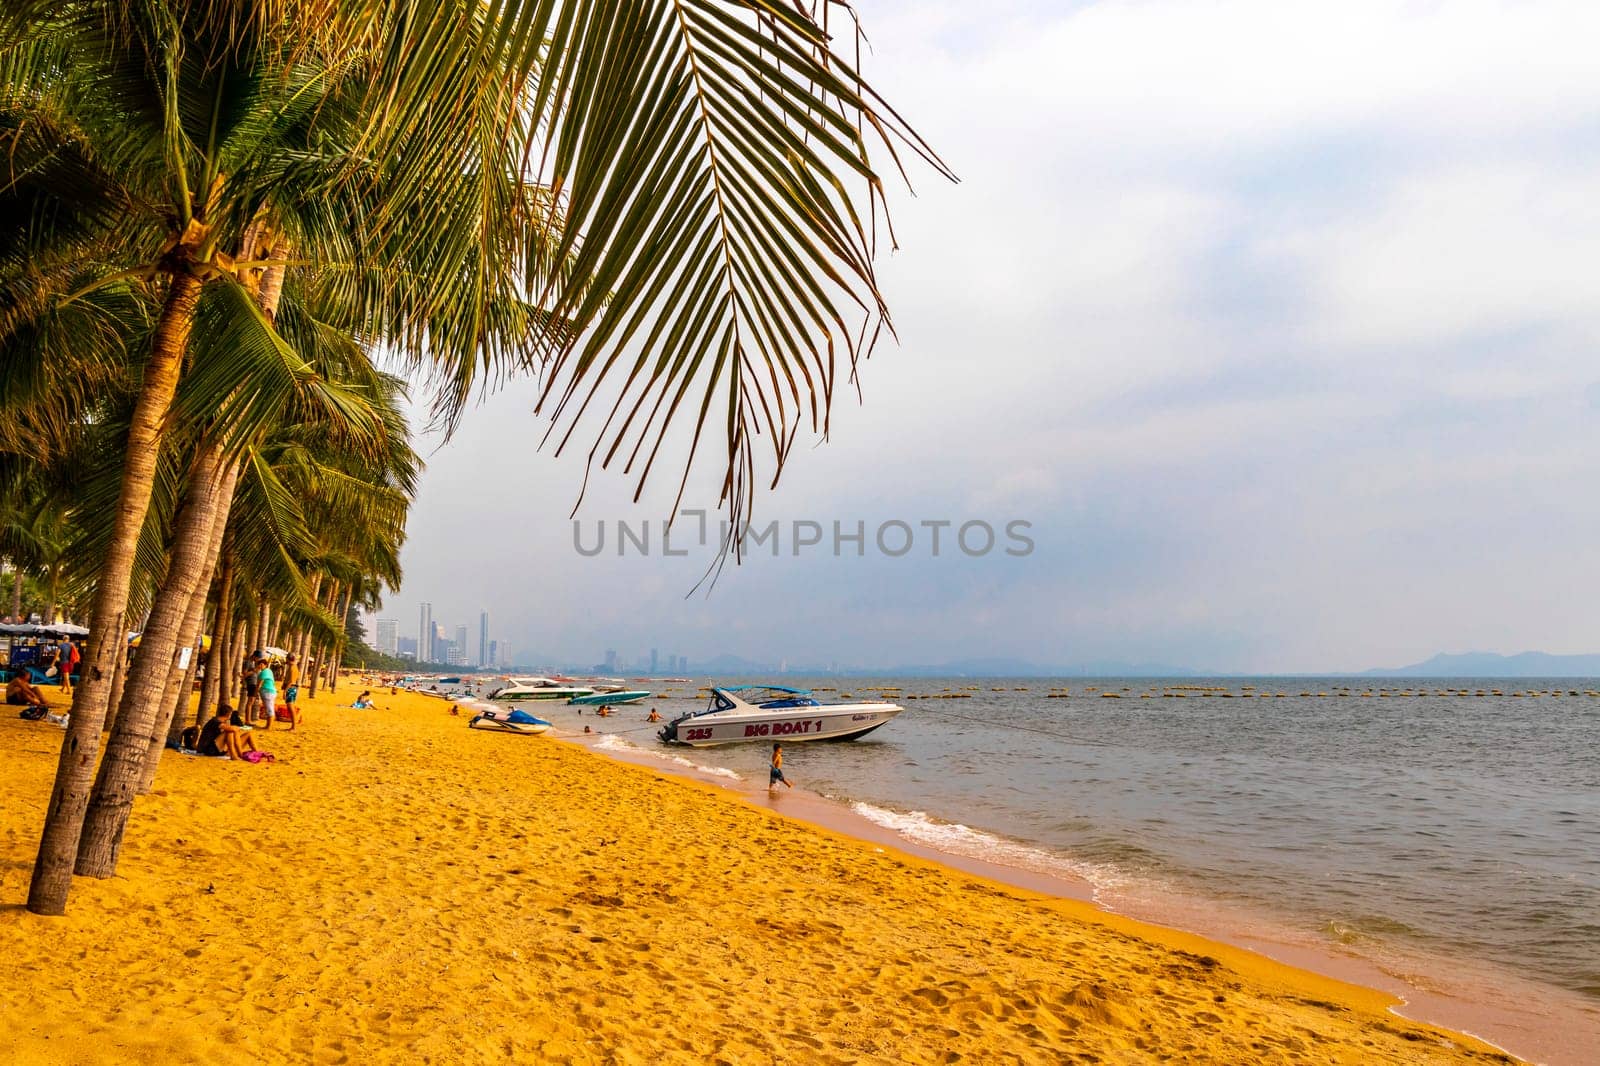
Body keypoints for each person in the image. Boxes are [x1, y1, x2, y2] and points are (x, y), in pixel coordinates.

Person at [195, 703, 261, 760]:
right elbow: (232, 729)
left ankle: (257, 753)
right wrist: (238, 728)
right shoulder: (215, 722)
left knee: (249, 734)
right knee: (230, 731)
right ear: (229, 714)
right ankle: (234, 755)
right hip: (209, 750)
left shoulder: (220, 721)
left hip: (218, 748)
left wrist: (237, 730)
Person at [256, 656, 279, 729]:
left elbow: (260, 683)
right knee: (269, 708)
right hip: (269, 691)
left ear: (263, 664)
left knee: (269, 709)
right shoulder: (268, 671)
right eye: (258, 665)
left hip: (267, 691)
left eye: (260, 664)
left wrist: (256, 691)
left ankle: (269, 726)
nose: (259, 666)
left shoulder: (264, 672)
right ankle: (268, 725)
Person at [280, 652, 301, 729]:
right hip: (291, 688)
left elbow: (291, 681)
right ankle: (293, 726)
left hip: (291, 689)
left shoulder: (293, 668)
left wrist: (285, 691)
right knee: (290, 707)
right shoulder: (292, 667)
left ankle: (293, 726)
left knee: (291, 707)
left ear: (289, 659)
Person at [240, 657, 261, 722]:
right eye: (258, 658)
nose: (258, 660)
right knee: (250, 702)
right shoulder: (248, 663)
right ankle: (248, 720)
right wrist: (254, 671)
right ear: (255, 656)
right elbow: (245, 674)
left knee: (251, 702)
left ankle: (248, 720)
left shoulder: (253, 663)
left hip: (254, 684)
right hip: (251, 684)